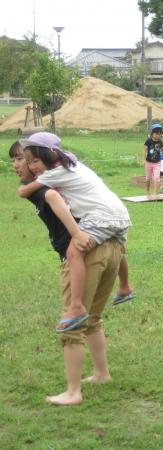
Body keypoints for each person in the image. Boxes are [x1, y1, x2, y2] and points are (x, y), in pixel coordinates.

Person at [10, 141, 123, 406]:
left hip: (86, 253)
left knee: (72, 323)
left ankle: (73, 392)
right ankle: (101, 374)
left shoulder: (44, 187)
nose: (16, 165)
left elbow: (52, 199)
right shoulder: (59, 175)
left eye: (20, 159)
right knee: (92, 318)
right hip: (111, 248)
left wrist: (75, 234)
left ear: (35, 161)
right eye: (13, 160)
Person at [17, 133, 135, 332]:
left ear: (50, 155)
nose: (32, 166)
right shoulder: (73, 164)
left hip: (101, 216)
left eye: (35, 160)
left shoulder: (55, 172)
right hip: (120, 213)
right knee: (119, 249)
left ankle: (77, 307)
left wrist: (26, 185)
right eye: (28, 162)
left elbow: (25, 191)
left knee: (74, 252)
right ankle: (125, 287)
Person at [143, 123, 163, 195]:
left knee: (156, 177)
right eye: (156, 134)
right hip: (149, 162)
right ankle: (147, 191)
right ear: (152, 133)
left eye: (160, 134)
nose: (158, 136)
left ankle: (155, 192)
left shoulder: (160, 142)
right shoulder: (148, 141)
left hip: (157, 163)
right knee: (148, 178)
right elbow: (145, 150)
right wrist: (143, 160)